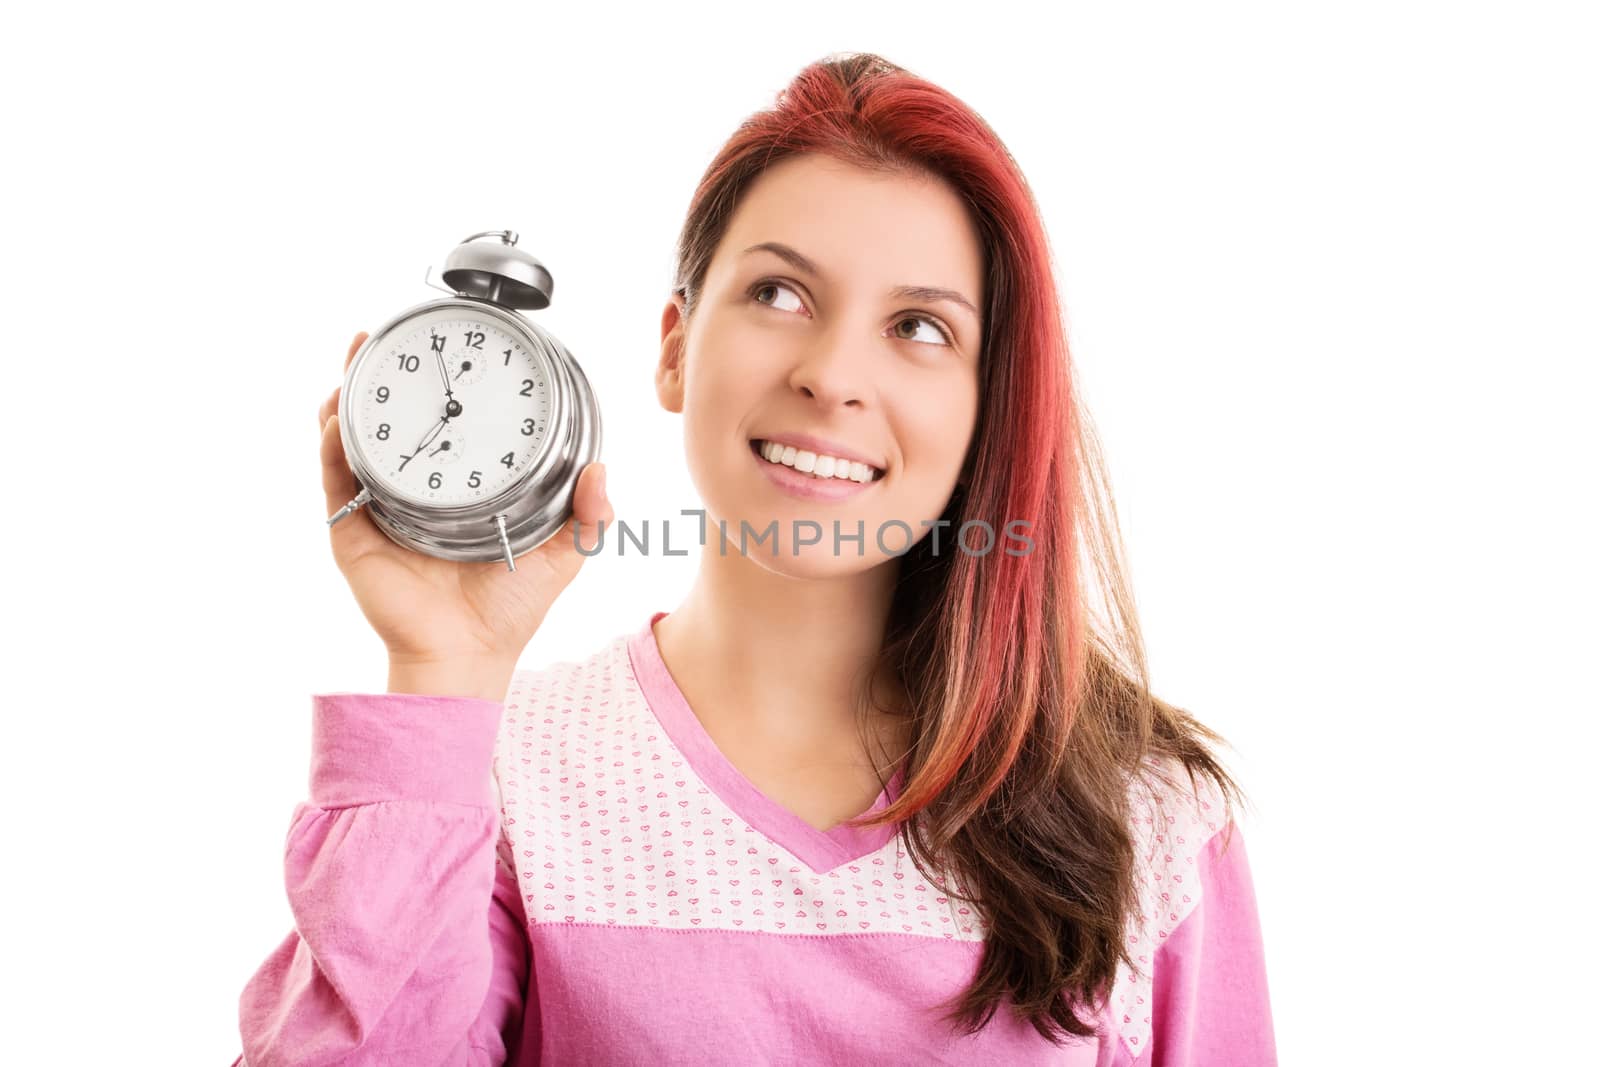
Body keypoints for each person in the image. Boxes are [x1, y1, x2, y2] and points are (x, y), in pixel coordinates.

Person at [232, 52, 1277, 1066]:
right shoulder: (497, 776)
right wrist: (443, 674)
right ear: (676, 346)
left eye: (917, 326)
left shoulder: (1150, 814)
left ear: (986, 402)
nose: (831, 375)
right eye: (779, 294)